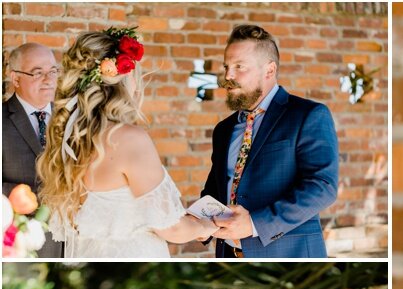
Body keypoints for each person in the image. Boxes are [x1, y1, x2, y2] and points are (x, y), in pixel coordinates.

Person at [34, 27, 222, 258]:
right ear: (122, 78)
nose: (136, 82)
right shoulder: (127, 139)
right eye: (134, 74)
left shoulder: (70, 140)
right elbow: (171, 228)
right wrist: (205, 226)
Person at [198, 24, 338, 258]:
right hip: (227, 258)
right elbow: (215, 190)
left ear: (269, 71)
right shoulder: (223, 130)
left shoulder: (308, 115)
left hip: (289, 258)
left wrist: (254, 223)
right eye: (227, 67)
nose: (228, 77)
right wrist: (200, 221)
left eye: (239, 67)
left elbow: (322, 186)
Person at [3, 41, 65, 256]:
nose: (49, 80)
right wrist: (31, 198)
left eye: (53, 71)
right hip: (26, 240)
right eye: (37, 73)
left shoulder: (75, 118)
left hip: (78, 242)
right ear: (15, 78)